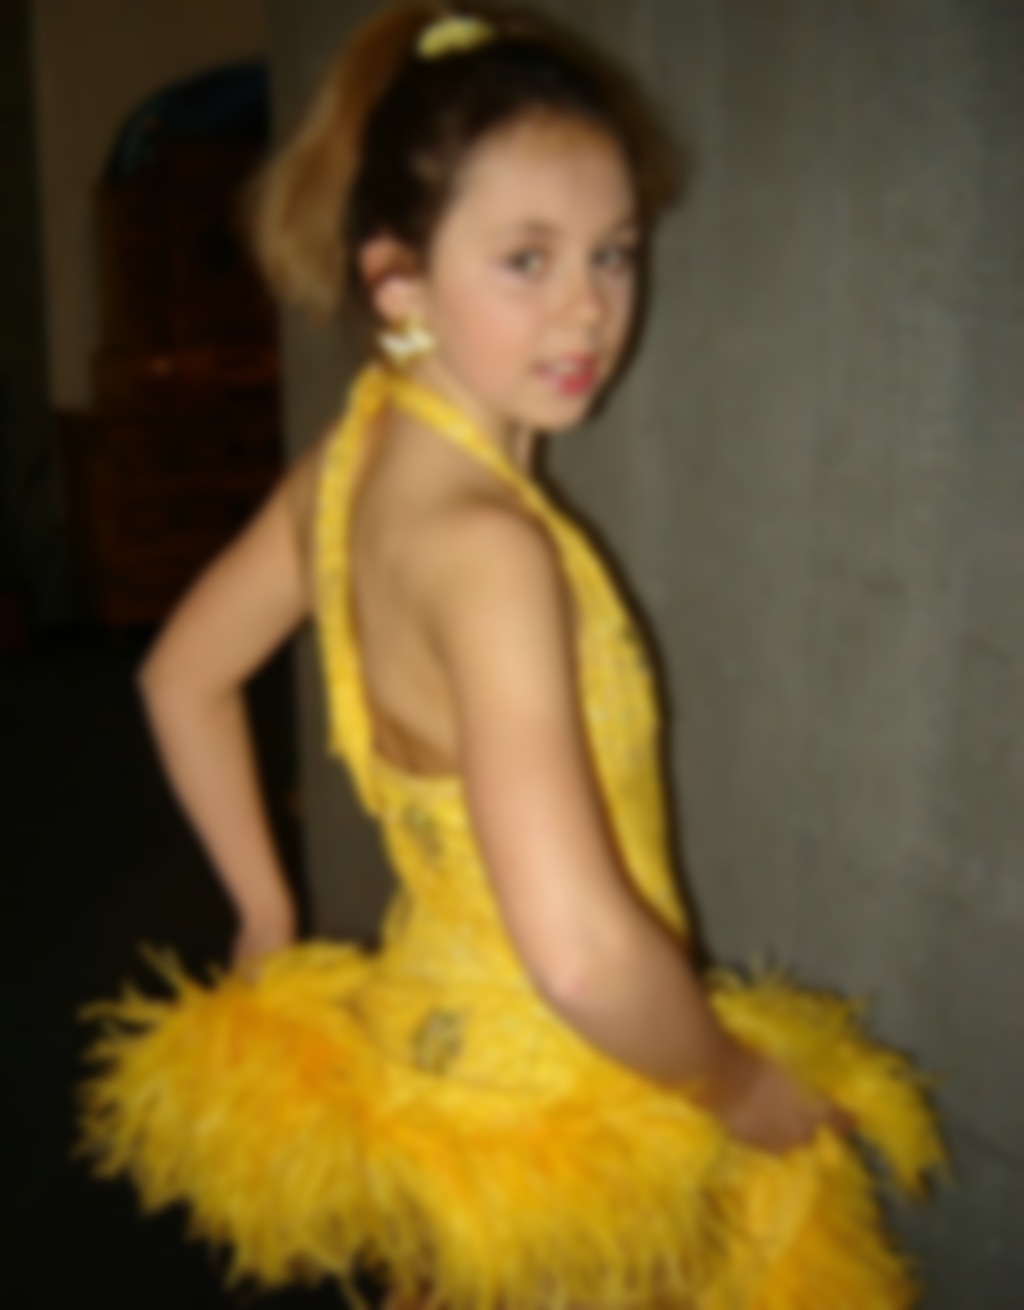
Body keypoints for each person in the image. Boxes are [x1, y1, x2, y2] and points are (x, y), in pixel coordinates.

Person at [79, 6, 943, 1308]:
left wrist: (265, 913)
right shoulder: (490, 554)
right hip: (568, 1117)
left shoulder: (354, 460)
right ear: (399, 280)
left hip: (438, 1078)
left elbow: (179, 676)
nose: (588, 307)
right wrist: (733, 1083)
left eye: (614, 253)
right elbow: (581, 954)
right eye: (526, 259)